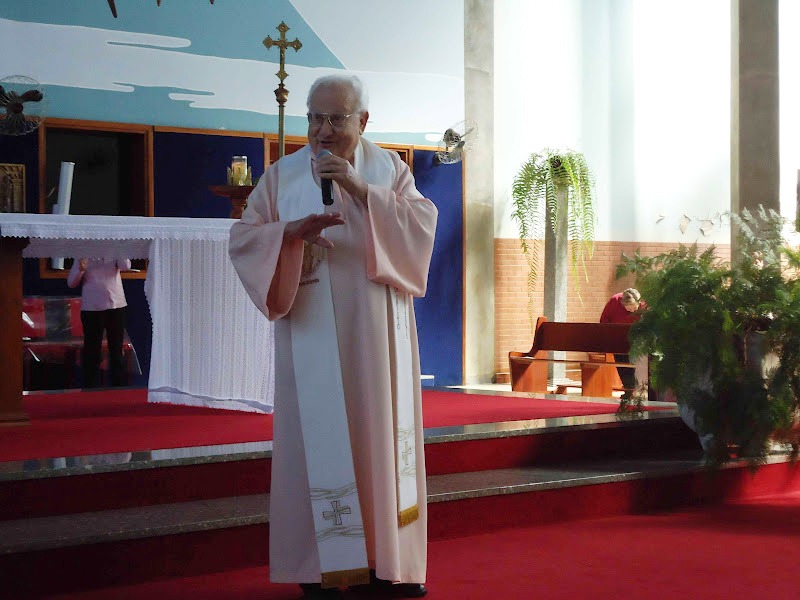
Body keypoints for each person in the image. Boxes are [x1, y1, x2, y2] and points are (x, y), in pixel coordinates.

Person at [229, 74, 437, 599]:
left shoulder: (389, 169)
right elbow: (246, 236)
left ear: (362, 121)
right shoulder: (280, 176)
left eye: (336, 118)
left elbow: (421, 229)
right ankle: (320, 565)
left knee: (379, 435)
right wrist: (290, 236)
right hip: (312, 325)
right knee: (315, 442)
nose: (322, 130)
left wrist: (359, 188)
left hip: (375, 335)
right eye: (314, 118)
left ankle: (383, 561)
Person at [67, 257, 131, 388]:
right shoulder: (83, 250)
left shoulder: (114, 246)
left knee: (116, 349)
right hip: (92, 307)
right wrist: (80, 269)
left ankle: (118, 389)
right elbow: (71, 283)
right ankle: (89, 389)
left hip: (116, 304)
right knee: (92, 350)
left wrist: (119, 245)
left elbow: (126, 266)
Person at [599, 287, 645, 399]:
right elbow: (604, 320)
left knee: (636, 366)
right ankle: (628, 390)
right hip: (618, 340)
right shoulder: (614, 301)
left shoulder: (644, 306)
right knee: (622, 366)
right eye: (628, 308)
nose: (632, 311)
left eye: (634, 308)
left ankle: (638, 391)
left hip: (637, 341)